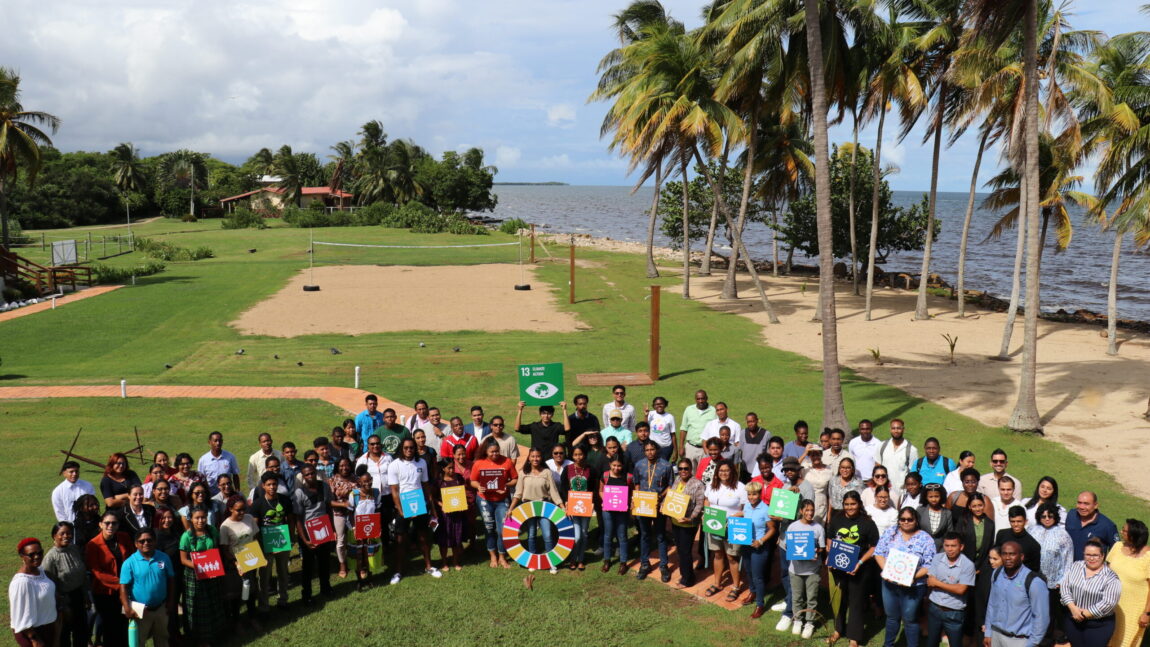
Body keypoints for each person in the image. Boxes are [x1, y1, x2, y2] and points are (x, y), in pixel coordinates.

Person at [875, 506, 937, 647]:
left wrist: (912, 577)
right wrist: (888, 571)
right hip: (889, 583)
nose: (906, 522)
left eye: (910, 519)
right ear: (899, 521)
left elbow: (929, 564)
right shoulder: (890, 533)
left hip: (914, 586)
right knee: (891, 617)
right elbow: (878, 553)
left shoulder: (925, 538)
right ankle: (888, 645)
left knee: (910, 619)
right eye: (902, 519)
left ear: (916, 520)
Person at [826, 491, 880, 647]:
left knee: (856, 602)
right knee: (839, 600)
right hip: (839, 567)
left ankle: (854, 638)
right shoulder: (837, 519)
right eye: (846, 504)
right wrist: (830, 555)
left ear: (859, 504)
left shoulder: (868, 523)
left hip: (859, 569)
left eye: (853, 504)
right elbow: (830, 538)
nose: (849, 507)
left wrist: (860, 563)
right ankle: (838, 630)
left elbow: (875, 547)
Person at [984, 540, 1050, 647]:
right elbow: (992, 604)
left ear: (1021, 557)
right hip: (996, 636)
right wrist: (988, 632)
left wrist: (1033, 643)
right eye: (1004, 554)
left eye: (1012, 554)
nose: (1008, 558)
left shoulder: (1034, 582)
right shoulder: (996, 574)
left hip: (1019, 640)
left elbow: (1041, 617)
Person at [1058, 538, 1122, 647]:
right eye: (1088, 554)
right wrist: (1073, 608)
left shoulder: (1111, 578)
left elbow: (1108, 603)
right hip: (1073, 620)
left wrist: (1083, 614)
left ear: (1102, 556)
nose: (1091, 558)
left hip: (1098, 625)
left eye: (1095, 555)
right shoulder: (1076, 566)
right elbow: (1065, 586)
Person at [511, 448, 565, 573]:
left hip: (545, 507)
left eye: (538, 456)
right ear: (529, 458)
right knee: (531, 535)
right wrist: (511, 509)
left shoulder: (547, 472)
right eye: (533, 456)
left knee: (547, 534)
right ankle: (532, 561)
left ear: (541, 458)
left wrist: (562, 506)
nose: (535, 459)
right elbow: (518, 493)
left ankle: (552, 562)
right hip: (528, 507)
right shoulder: (523, 473)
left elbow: (553, 492)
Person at [120, 527, 176, 647]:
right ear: (136, 544)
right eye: (142, 541)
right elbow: (123, 587)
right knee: (139, 641)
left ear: (155, 541)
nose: (146, 543)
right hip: (140, 610)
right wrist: (127, 607)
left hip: (161, 607)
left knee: (162, 639)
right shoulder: (129, 563)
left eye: (149, 540)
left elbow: (171, 580)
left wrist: (171, 601)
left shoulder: (164, 557)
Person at [86, 511, 133, 647]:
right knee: (110, 629)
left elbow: (131, 559)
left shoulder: (124, 538)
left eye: (114, 523)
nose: (110, 526)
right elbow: (97, 573)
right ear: (100, 524)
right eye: (107, 523)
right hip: (105, 594)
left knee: (124, 626)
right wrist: (122, 584)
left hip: (124, 591)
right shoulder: (93, 545)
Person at [179, 508, 225, 646]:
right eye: (197, 518)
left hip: (212, 572)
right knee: (198, 607)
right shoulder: (186, 536)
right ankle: (200, 639)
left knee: (213, 602)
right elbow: (183, 559)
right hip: (194, 576)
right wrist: (200, 566)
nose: (200, 521)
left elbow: (217, 550)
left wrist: (212, 565)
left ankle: (215, 634)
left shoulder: (212, 531)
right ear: (191, 520)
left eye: (203, 517)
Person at [954, 492, 996, 641]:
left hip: (983, 568)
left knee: (979, 601)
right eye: (974, 506)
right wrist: (969, 566)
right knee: (965, 601)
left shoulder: (990, 524)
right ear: (969, 507)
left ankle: (978, 634)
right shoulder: (963, 521)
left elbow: (989, 547)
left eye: (980, 505)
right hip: (965, 566)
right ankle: (964, 634)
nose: (978, 508)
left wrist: (980, 567)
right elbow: (959, 545)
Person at [249, 471, 294, 610]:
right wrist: (258, 545)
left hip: (282, 541)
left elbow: (290, 520)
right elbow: (255, 527)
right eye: (269, 485)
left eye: (274, 484)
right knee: (265, 575)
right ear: (263, 486)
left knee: (283, 572)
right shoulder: (257, 504)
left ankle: (283, 600)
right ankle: (264, 606)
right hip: (265, 544)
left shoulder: (285, 500)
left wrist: (291, 537)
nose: (272, 487)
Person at [704, 460, 748, 603]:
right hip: (714, 524)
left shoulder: (740, 487)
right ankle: (717, 583)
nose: (723, 473)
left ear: (732, 472)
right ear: (717, 472)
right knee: (717, 554)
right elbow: (706, 500)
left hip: (732, 526)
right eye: (721, 470)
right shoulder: (711, 485)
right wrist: (707, 511)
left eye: (726, 470)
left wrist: (730, 518)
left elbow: (746, 509)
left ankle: (735, 587)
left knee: (732, 557)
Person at [472, 437, 519, 569]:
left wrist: (506, 485)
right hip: (484, 500)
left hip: (502, 500)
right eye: (492, 452)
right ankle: (492, 555)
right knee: (488, 528)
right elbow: (473, 481)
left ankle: (502, 556)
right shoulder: (479, 463)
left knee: (502, 530)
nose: (495, 454)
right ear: (486, 452)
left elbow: (515, 479)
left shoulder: (507, 461)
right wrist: (478, 487)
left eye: (497, 451)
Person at [1032, 502, 1075, 646]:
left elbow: (1068, 559)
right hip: (1034, 580)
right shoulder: (1033, 530)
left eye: (1050, 516)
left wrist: (1062, 581)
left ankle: (1048, 639)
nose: (1047, 518)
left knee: (1049, 614)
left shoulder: (1063, 535)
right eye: (1043, 516)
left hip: (1052, 583)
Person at [293, 464, 337, 599]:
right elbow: (298, 519)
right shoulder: (299, 493)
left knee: (324, 562)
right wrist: (305, 540)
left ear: (316, 472)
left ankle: (326, 588)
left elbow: (329, 508)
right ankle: (307, 594)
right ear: (303, 476)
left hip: (324, 531)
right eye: (307, 475)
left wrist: (332, 529)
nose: (310, 476)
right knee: (308, 565)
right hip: (308, 534)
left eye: (312, 473)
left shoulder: (324, 487)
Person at [926, 532, 977, 647]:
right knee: (931, 643)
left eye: (953, 546)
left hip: (954, 612)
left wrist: (938, 583)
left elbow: (961, 590)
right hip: (935, 608)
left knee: (955, 644)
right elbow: (930, 582)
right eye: (947, 545)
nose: (949, 549)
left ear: (961, 547)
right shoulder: (937, 558)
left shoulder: (968, 565)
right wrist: (951, 586)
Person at [218, 496, 260, 633]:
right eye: (238, 510)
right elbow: (224, 549)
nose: (242, 512)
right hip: (235, 565)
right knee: (236, 595)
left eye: (244, 509)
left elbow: (254, 538)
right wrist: (236, 563)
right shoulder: (225, 526)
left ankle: (253, 618)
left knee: (252, 592)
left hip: (251, 560)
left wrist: (259, 557)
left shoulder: (249, 519)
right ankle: (237, 622)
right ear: (230, 509)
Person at [633, 440, 673, 582]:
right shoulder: (639, 465)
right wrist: (637, 498)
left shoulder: (666, 465)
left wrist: (660, 497)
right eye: (647, 450)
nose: (650, 452)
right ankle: (645, 564)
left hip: (658, 506)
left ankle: (663, 566)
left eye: (652, 449)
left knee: (661, 536)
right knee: (644, 535)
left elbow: (670, 485)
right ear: (644, 452)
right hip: (643, 505)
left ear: (657, 450)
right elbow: (636, 483)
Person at [1107, 519, 1150, 647]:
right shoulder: (1117, 546)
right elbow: (1105, 573)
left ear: (1134, 535)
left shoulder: (1148, 556)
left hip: (1133, 611)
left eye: (1124, 531)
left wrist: (1147, 613)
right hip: (1111, 604)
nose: (1121, 532)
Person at [42, 522, 86, 647]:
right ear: (54, 536)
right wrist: (61, 605)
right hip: (63, 600)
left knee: (81, 632)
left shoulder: (74, 549)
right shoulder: (51, 558)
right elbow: (49, 585)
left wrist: (86, 596)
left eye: (69, 533)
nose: (66, 536)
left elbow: (82, 573)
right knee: (64, 635)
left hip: (78, 596)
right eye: (62, 534)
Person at [788, 499, 826, 638]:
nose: (810, 513)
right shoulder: (793, 527)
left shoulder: (818, 528)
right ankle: (798, 620)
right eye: (807, 510)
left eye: (812, 510)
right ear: (801, 511)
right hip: (796, 569)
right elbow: (788, 546)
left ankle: (809, 623)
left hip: (812, 570)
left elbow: (821, 548)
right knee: (797, 597)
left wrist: (815, 552)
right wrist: (794, 550)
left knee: (812, 598)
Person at [559, 443, 599, 571]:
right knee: (577, 536)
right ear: (572, 455)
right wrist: (566, 501)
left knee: (584, 534)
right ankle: (572, 558)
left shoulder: (590, 470)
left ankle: (580, 559)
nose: (578, 457)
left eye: (580, 454)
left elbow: (593, 487)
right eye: (575, 455)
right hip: (573, 506)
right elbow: (564, 487)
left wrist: (592, 501)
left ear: (585, 455)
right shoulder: (568, 469)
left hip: (586, 506)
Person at [10, 537, 56, 647]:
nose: (37, 557)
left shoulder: (40, 572)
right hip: (33, 634)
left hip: (48, 628)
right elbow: (21, 616)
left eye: (40, 553)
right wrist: (34, 639)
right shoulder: (21, 582)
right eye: (31, 554)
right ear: (22, 556)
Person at [743, 480, 779, 618]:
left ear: (760, 494)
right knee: (748, 571)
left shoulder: (765, 509)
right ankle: (752, 592)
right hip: (746, 545)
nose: (752, 497)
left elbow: (772, 529)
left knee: (758, 577)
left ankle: (760, 604)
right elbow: (744, 518)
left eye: (754, 494)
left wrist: (761, 541)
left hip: (760, 547)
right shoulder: (746, 506)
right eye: (749, 494)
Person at [600, 455, 634, 575]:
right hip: (608, 510)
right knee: (608, 535)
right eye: (614, 465)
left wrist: (629, 503)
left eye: (619, 465)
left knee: (622, 536)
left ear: (623, 466)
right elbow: (600, 490)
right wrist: (606, 500)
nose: (616, 468)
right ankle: (607, 560)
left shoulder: (628, 477)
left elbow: (631, 492)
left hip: (622, 511)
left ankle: (623, 562)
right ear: (610, 464)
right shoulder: (605, 475)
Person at [433, 458, 468, 573]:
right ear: (443, 469)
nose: (452, 470)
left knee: (456, 538)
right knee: (444, 539)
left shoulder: (459, 478)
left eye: (453, 467)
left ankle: (456, 561)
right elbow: (433, 497)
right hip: (444, 515)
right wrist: (441, 504)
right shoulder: (439, 481)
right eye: (449, 468)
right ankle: (444, 562)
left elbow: (463, 492)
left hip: (458, 513)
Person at [1065, 492, 1121, 560]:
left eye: (1086, 504)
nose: (1082, 507)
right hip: (1067, 567)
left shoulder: (1107, 526)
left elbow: (1117, 551)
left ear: (1095, 505)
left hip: (1091, 569)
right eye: (1079, 503)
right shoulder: (1071, 515)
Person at [327, 457, 357, 579]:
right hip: (338, 514)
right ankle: (342, 565)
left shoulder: (357, 480)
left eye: (347, 465)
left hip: (354, 514)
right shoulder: (332, 481)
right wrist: (343, 504)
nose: (344, 468)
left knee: (356, 538)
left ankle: (357, 563)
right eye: (341, 466)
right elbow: (329, 501)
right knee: (340, 541)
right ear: (337, 467)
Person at [997, 506, 1043, 573]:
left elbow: (1034, 571)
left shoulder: (1033, 545)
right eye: (1013, 521)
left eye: (1019, 521)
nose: (1016, 524)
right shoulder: (1001, 535)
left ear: (1025, 521)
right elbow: (996, 555)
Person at [875, 419, 919, 491]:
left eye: (898, 428)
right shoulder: (882, 446)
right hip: (883, 490)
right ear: (890, 429)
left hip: (901, 492)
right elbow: (877, 467)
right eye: (893, 428)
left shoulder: (912, 450)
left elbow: (913, 473)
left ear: (903, 429)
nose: (896, 431)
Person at [679, 389, 717, 465]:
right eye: (698, 399)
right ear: (695, 399)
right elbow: (684, 428)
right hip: (691, 448)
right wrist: (681, 446)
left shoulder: (713, 411)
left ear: (706, 398)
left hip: (706, 449)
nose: (700, 401)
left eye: (702, 398)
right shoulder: (689, 409)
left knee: (704, 474)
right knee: (690, 473)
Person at [197, 432, 239, 497]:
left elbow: (235, 475)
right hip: (210, 495)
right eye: (215, 441)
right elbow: (200, 479)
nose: (218, 443)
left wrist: (237, 492)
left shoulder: (230, 457)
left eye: (220, 441)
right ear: (209, 442)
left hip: (227, 493)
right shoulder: (203, 460)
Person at [918, 483, 954, 550]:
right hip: (921, 546)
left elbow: (949, 533)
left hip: (940, 549)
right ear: (926, 497)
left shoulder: (947, 513)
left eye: (936, 496)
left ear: (941, 496)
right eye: (930, 497)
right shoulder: (920, 510)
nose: (934, 499)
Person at [803, 444, 832, 520]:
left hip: (821, 504)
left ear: (821, 455)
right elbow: (793, 467)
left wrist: (829, 515)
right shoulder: (805, 467)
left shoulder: (829, 470)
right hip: (806, 502)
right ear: (809, 456)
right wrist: (805, 452)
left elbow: (830, 493)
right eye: (813, 455)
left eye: (817, 454)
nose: (815, 457)